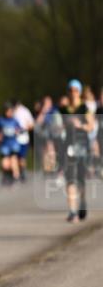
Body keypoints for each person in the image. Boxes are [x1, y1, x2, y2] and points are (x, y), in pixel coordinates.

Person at [59, 79, 95, 222]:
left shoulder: (85, 109)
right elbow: (57, 126)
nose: (73, 93)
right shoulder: (63, 109)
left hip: (82, 146)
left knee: (80, 179)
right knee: (70, 178)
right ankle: (72, 212)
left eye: (76, 90)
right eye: (71, 90)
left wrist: (80, 125)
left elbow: (91, 126)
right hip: (68, 146)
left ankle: (82, 202)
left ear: (79, 92)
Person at [0, 103, 22, 186]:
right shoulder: (0, 120)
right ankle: (7, 175)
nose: (10, 113)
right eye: (8, 111)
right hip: (4, 145)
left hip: (13, 143)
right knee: (5, 164)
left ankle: (16, 176)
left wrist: (17, 131)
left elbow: (20, 129)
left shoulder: (15, 120)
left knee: (14, 160)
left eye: (11, 112)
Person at [11, 98, 35, 183]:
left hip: (23, 138)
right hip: (13, 138)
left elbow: (32, 124)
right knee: (13, 156)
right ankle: (15, 175)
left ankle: (22, 172)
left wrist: (24, 129)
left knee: (21, 158)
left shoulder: (25, 111)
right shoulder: (11, 111)